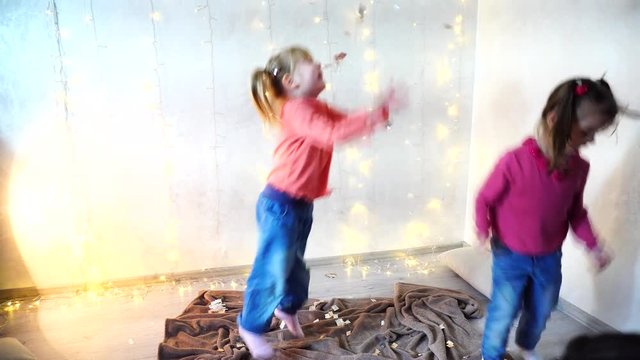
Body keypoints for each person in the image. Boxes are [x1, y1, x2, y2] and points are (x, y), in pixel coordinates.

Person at [237, 45, 405, 359]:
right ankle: (250, 325)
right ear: (290, 81)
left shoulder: (316, 106)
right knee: (272, 270)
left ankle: (286, 309)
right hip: (279, 205)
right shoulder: (297, 109)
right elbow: (333, 133)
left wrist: (378, 113)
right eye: (309, 62)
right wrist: (377, 114)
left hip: (300, 204)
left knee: (296, 268)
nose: (318, 63)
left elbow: (345, 122)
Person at [475, 78, 618, 360]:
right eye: (588, 131)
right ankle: (490, 354)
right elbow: (484, 198)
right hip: (510, 255)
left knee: (542, 310)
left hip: (549, 256)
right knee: (504, 311)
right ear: (555, 120)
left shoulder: (579, 168)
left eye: (596, 133)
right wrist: (483, 228)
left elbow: (576, 212)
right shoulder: (514, 161)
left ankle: (526, 346)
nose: (591, 140)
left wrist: (594, 244)